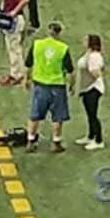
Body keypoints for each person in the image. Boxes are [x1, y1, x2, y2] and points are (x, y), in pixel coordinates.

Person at [25, 22, 72, 152]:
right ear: (59, 33)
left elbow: (28, 64)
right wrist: (72, 85)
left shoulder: (37, 45)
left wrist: (26, 79)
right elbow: (69, 71)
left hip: (40, 85)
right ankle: (56, 142)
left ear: (48, 31)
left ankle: (30, 140)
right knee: (58, 116)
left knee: (35, 114)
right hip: (57, 86)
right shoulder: (63, 48)